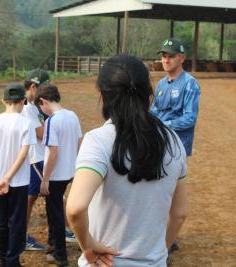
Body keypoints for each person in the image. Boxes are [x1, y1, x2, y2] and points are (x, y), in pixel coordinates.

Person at [66, 54, 188, 267]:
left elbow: (75, 208)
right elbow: (179, 214)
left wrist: (88, 245)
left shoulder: (98, 141)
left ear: (103, 96)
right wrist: (159, 252)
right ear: (147, 94)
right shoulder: (174, 141)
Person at [151, 38, 200, 256]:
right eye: (163, 55)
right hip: (158, 143)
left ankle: (167, 243)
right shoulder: (161, 84)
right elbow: (153, 111)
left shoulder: (190, 84)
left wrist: (163, 125)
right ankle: (166, 236)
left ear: (182, 58)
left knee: (169, 194)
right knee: (157, 192)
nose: (166, 59)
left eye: (170, 56)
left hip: (176, 147)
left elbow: (190, 117)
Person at [0, 83, 36, 267]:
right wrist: (9, 177)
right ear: (23, 101)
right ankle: (12, 260)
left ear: (3, 101)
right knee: (16, 222)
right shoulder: (26, 123)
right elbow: (23, 154)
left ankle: (1, 257)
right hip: (19, 182)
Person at [35, 84, 82, 266]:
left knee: (55, 214)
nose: (42, 110)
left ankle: (61, 255)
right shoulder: (72, 115)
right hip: (70, 171)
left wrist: (45, 179)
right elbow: (79, 141)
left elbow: (53, 152)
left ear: (44, 101)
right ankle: (53, 243)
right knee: (53, 210)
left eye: (41, 107)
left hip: (56, 175)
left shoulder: (51, 121)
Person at [22, 69, 49, 251]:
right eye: (44, 87)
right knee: (32, 197)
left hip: (37, 156)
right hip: (35, 157)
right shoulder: (27, 108)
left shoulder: (33, 106)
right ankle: (20, 235)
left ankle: (20, 234)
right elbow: (39, 133)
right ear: (33, 86)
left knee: (31, 197)